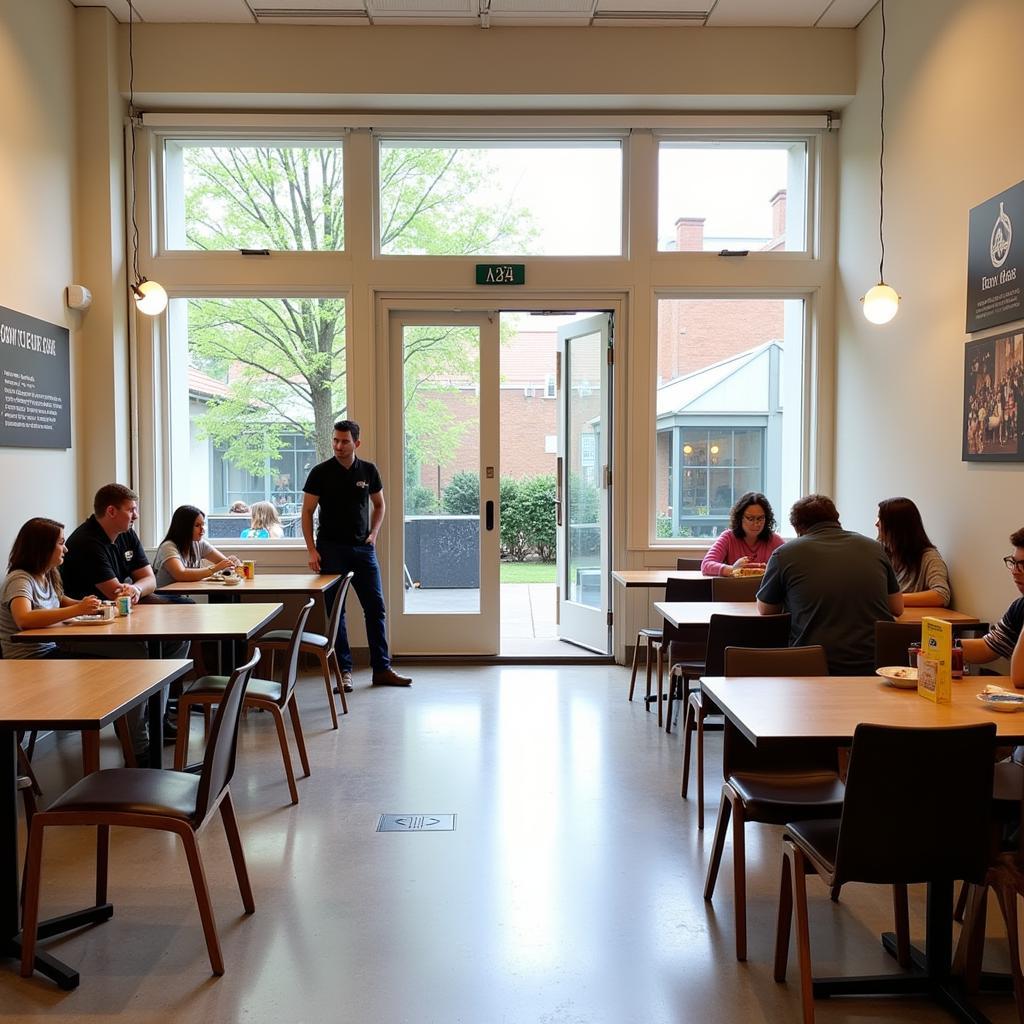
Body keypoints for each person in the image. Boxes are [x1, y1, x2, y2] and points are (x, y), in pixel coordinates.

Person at [61, 483, 187, 760]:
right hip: (84, 628)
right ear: (110, 511)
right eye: (131, 510)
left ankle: (158, 719)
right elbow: (115, 592)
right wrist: (133, 589)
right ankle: (139, 745)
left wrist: (137, 589)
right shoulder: (86, 542)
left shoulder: (126, 534)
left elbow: (148, 579)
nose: (136, 516)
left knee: (179, 635)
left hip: (117, 617)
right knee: (142, 653)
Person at [302, 418, 412, 688]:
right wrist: (312, 550)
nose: (339, 446)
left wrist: (374, 534)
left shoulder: (368, 471)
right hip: (330, 550)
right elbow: (307, 512)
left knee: (375, 608)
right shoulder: (320, 472)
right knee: (336, 613)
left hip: (362, 550)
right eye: (335, 440)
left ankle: (382, 669)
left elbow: (380, 505)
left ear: (356, 443)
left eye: (345, 441)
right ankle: (344, 671)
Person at [756, 494, 904, 675]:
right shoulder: (875, 548)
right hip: (876, 666)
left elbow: (766, 610)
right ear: (837, 519)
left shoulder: (784, 554)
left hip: (814, 664)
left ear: (798, 529)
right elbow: (897, 607)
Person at [0, 517, 102, 659]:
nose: (65, 549)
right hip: (29, 658)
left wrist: (92, 605)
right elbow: (24, 619)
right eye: (61, 543)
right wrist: (78, 609)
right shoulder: (19, 579)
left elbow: (60, 600)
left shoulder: (47, 575)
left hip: (50, 651)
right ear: (43, 547)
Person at [962, 527, 1024, 687]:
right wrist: (939, 644)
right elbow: (989, 646)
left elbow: (1020, 678)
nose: (1015, 571)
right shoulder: (1020, 606)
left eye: (1023, 565)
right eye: (1013, 563)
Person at [876, 496, 951, 606]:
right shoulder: (881, 552)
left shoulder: (928, 557)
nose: (877, 524)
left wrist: (893, 600)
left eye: (881, 520)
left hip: (911, 621)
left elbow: (941, 595)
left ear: (896, 526)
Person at [153, 504, 239, 588]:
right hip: (163, 596)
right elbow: (180, 574)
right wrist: (215, 568)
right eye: (197, 525)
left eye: (203, 524)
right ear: (184, 527)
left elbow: (224, 563)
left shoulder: (199, 543)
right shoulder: (168, 547)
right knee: (191, 602)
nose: (202, 529)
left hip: (180, 595)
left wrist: (232, 563)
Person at [701, 492, 785, 576]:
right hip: (736, 588)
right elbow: (706, 565)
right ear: (740, 518)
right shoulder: (728, 537)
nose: (756, 523)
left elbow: (791, 565)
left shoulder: (774, 540)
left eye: (760, 518)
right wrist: (733, 569)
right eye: (750, 518)